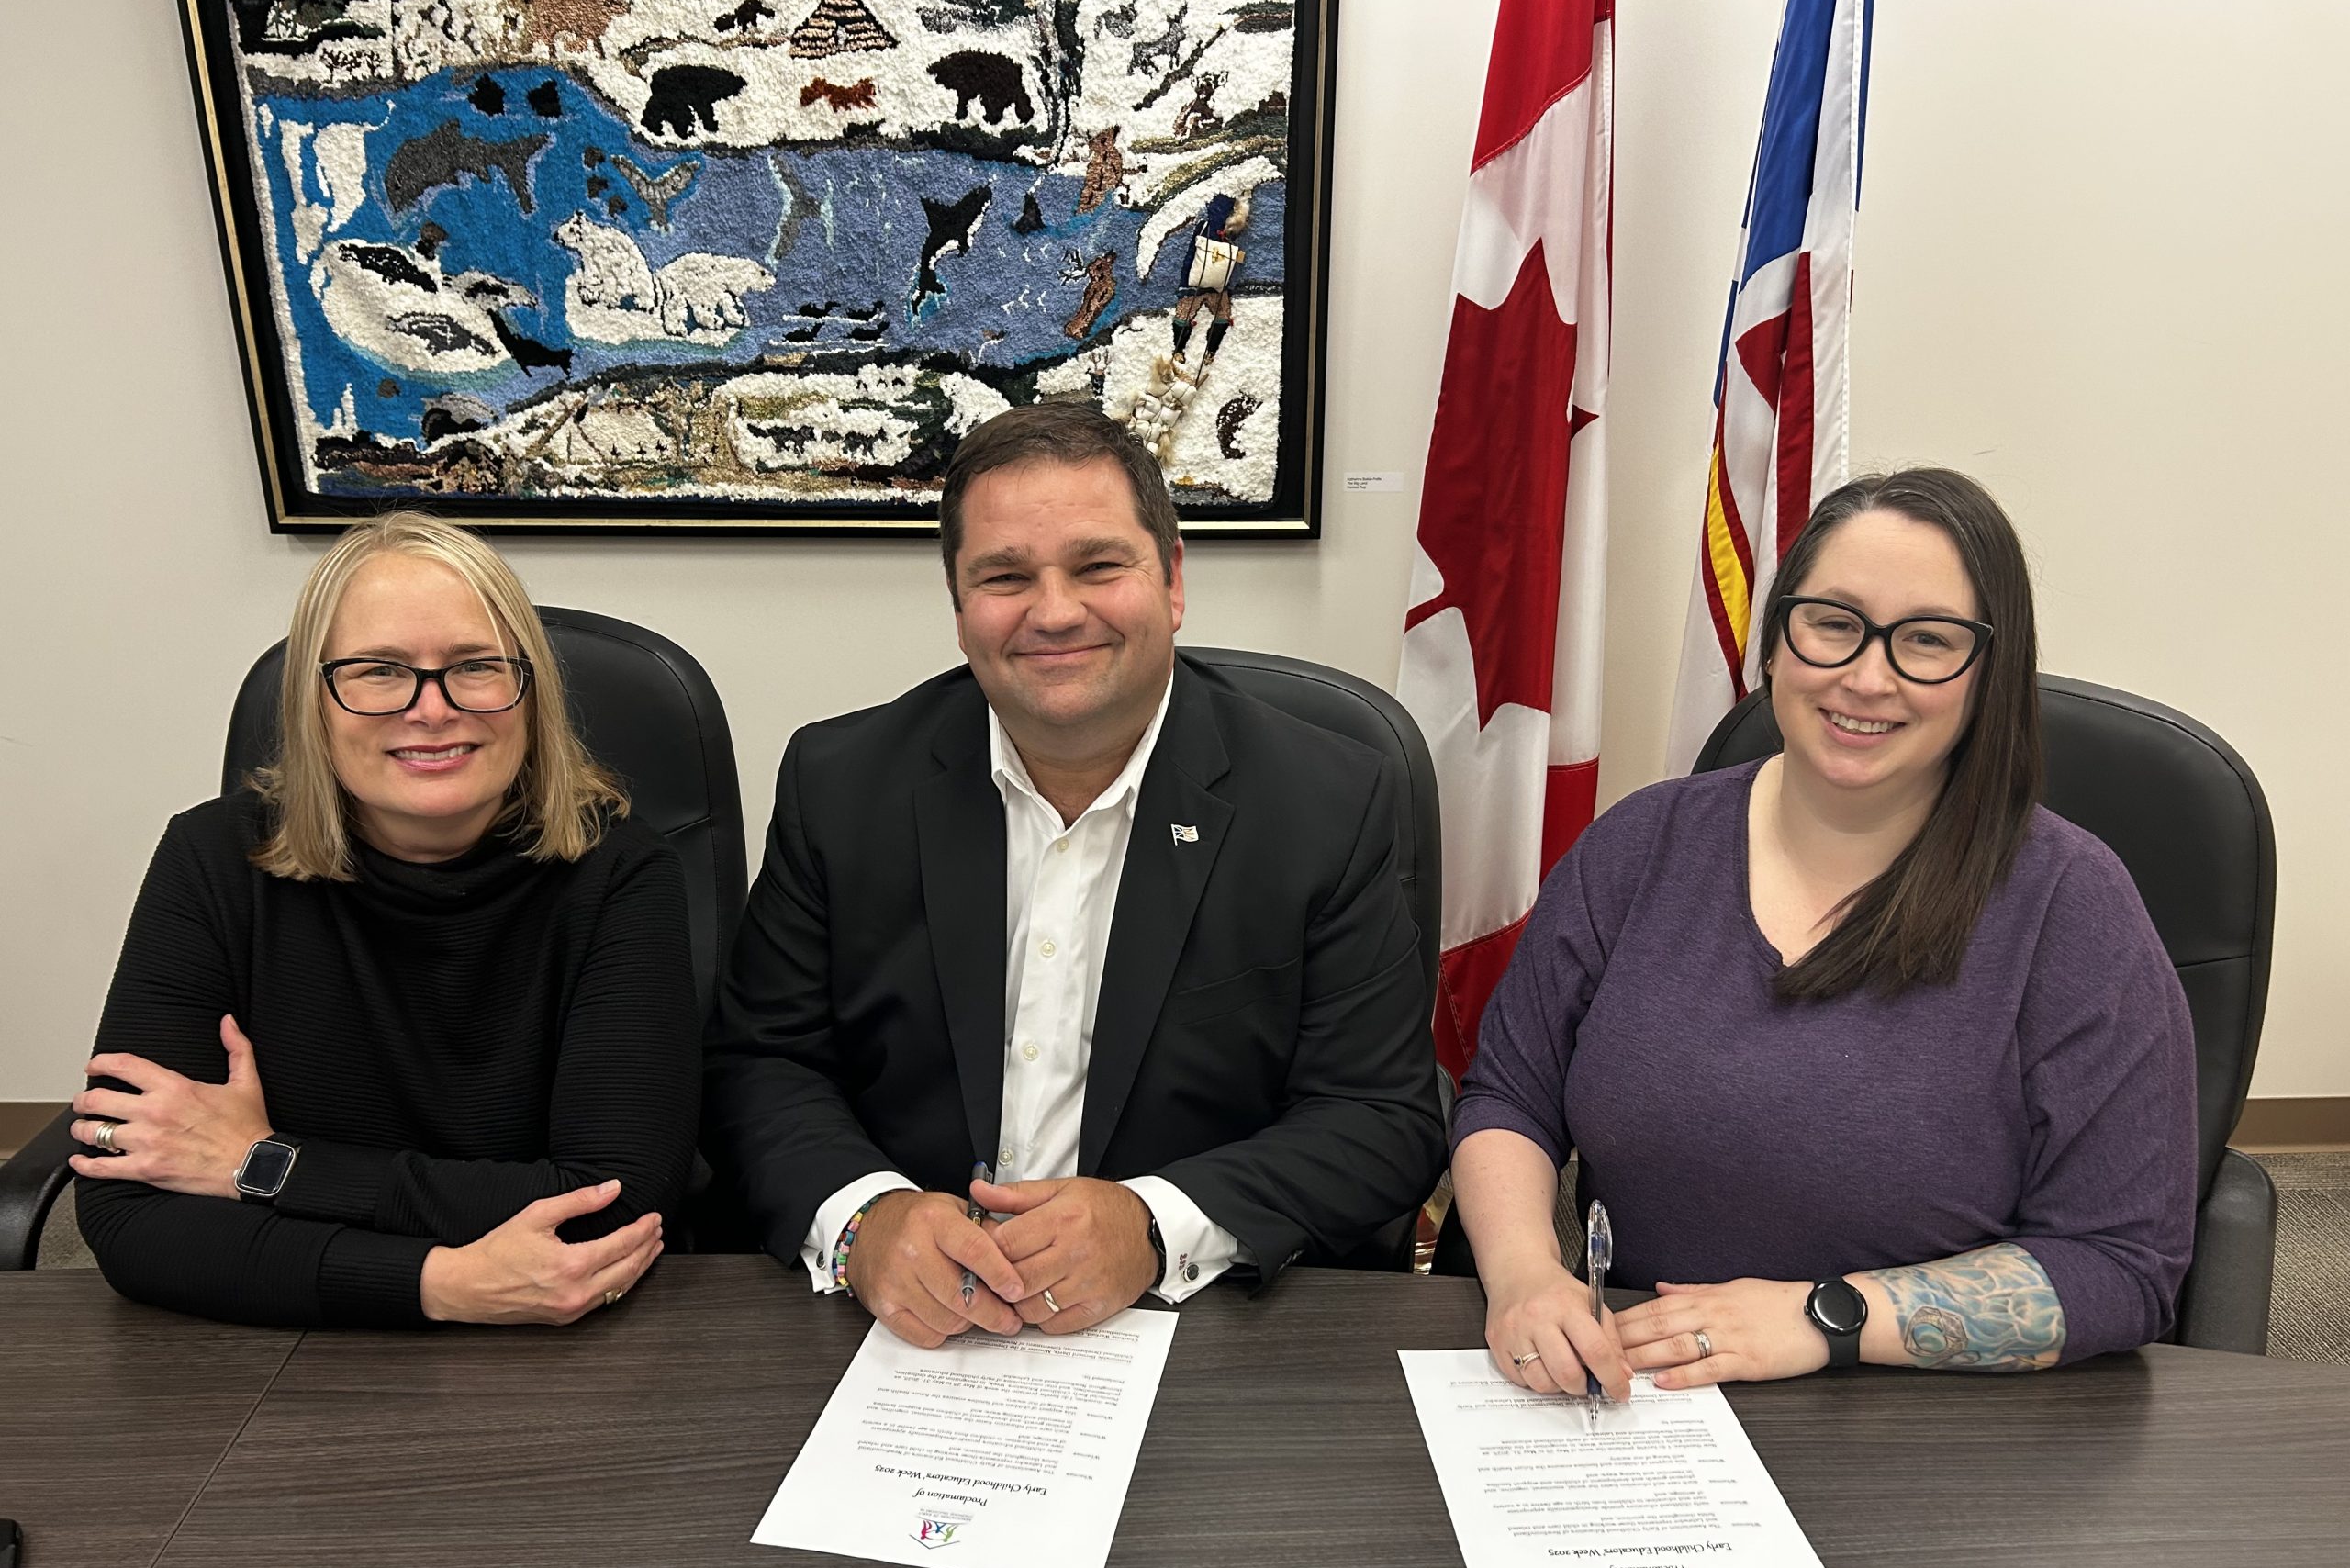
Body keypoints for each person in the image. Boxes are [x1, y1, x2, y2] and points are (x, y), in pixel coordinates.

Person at [704, 403, 1444, 1346]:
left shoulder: (1329, 799)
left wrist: (1152, 1224)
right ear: (960, 606)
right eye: (1005, 577)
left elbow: (1378, 1116)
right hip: (908, 1333)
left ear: (1172, 580)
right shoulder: (842, 783)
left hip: (1203, 1329)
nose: (1054, 612)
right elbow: (762, 1065)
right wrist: (865, 1221)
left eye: (1098, 566)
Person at [1450, 468, 2197, 1398]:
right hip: (1649, 1402)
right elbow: (1507, 1099)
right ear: (1777, 640)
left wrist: (1822, 1317)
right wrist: (1525, 1274)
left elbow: (2120, 1267)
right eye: (1833, 623)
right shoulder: (1639, 846)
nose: (1866, 676)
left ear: (1986, 675)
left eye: (1926, 640)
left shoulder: (2071, 905)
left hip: (1937, 1424)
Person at [70, 512, 696, 1329]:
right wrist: (436, 1284)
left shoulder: (621, 871)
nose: (432, 710)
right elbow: (127, 1219)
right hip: (292, 1349)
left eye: (475, 666)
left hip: (577, 1343)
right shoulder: (211, 858)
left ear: (530, 688)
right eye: (378, 671)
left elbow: (612, 1204)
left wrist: (263, 1168)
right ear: (315, 701)